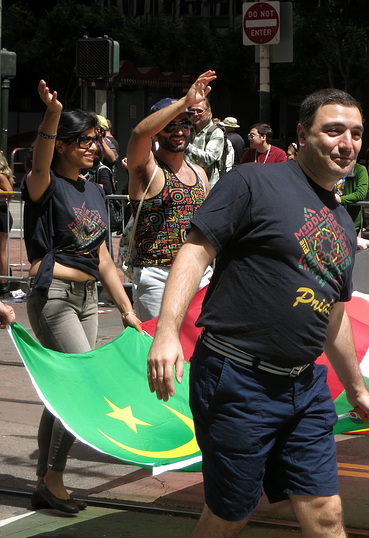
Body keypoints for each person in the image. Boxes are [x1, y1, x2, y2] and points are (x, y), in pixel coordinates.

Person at [147, 88, 369, 537]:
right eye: (333, 130)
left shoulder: (344, 223)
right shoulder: (253, 182)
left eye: (355, 133)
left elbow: (332, 311)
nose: (345, 143)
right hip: (237, 380)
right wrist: (167, 333)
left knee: (326, 511)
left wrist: (357, 389)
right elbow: (195, 252)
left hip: (305, 387)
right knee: (230, 513)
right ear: (302, 135)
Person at [22, 80, 142, 514]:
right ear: (63, 145)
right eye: (85, 140)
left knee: (61, 393)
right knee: (82, 387)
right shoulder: (44, 183)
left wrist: (126, 310)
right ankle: (54, 479)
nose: (95, 147)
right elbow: (39, 158)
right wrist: (52, 113)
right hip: (53, 296)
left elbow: (105, 258)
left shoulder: (92, 189)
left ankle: (43, 480)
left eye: (97, 139)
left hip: (89, 299)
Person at [126, 71, 215, 322]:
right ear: (157, 131)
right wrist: (185, 102)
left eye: (185, 124)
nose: (179, 131)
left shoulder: (199, 174)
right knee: (160, 353)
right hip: (157, 275)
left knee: (197, 352)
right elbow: (138, 135)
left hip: (197, 273)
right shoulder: (147, 169)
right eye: (170, 125)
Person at [184, 97, 234, 188]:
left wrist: (185, 145)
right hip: (188, 184)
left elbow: (208, 159)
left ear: (208, 111)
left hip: (207, 187)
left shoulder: (216, 132)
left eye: (199, 111)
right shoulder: (189, 130)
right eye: (192, 111)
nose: (195, 114)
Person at [335, 162, 369, 233]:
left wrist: (340, 199)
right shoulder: (330, 168)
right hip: (331, 220)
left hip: (351, 222)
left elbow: (361, 194)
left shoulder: (359, 169)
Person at [0, 153, 15, 297]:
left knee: (1, 251)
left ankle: (4, 284)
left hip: (2, 215)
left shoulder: (0, 176)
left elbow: (10, 193)